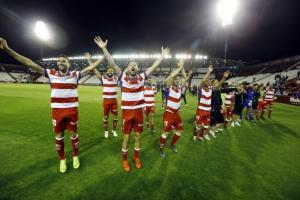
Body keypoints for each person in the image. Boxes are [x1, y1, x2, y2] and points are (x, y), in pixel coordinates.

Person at [0, 37, 102, 173]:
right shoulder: (51, 74)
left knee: (74, 134)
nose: (60, 62)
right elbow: (28, 62)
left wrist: (104, 52)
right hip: (57, 112)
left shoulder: (75, 74)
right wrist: (7, 49)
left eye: (63, 61)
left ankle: (76, 155)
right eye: (58, 61)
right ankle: (62, 159)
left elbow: (91, 67)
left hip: (72, 111)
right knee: (59, 136)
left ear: (69, 63)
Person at [94, 36, 170, 172]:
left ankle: (136, 157)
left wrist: (162, 56)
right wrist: (104, 48)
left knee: (137, 136)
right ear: (127, 68)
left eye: (135, 64)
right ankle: (124, 160)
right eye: (130, 65)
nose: (133, 66)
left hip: (138, 112)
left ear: (137, 67)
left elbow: (154, 66)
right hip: (128, 113)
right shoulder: (122, 76)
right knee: (127, 137)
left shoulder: (142, 77)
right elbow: (111, 62)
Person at [159, 60, 192, 157]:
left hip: (176, 114)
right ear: (172, 80)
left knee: (180, 130)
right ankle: (161, 148)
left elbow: (185, 79)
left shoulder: (180, 88)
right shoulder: (169, 87)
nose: (177, 80)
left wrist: (182, 67)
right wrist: (179, 68)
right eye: (175, 79)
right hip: (169, 113)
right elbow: (168, 78)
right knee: (165, 132)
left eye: (178, 79)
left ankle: (172, 144)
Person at [85, 52, 118, 139]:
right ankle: (106, 131)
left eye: (111, 71)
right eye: (109, 71)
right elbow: (94, 70)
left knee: (115, 117)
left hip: (114, 101)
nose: (110, 72)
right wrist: (89, 61)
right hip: (106, 101)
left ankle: (114, 130)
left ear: (113, 71)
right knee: (105, 117)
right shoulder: (103, 78)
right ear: (106, 72)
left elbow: (116, 67)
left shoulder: (116, 78)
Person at [193, 65, 214, 141]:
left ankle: (201, 135)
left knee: (206, 126)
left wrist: (224, 78)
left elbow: (218, 85)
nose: (208, 82)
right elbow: (202, 81)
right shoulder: (201, 89)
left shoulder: (211, 88)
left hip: (208, 110)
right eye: (207, 81)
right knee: (198, 125)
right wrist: (208, 72)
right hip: (201, 110)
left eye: (209, 82)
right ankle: (195, 134)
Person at [209, 70, 230, 137]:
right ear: (212, 84)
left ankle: (213, 130)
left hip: (219, 107)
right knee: (213, 122)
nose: (217, 83)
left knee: (221, 121)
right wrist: (224, 77)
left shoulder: (218, 90)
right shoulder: (213, 89)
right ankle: (211, 131)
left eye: (217, 82)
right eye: (216, 82)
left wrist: (222, 106)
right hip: (213, 108)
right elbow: (219, 84)